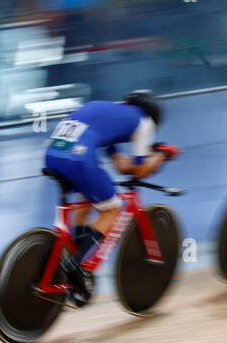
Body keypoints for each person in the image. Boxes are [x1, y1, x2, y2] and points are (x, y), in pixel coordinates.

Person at [42, 91, 180, 303]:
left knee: (88, 199)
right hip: (79, 159)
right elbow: (140, 171)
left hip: (53, 155)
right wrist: (162, 154)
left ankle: (75, 255)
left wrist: (135, 164)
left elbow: (122, 166)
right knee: (112, 208)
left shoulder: (106, 109)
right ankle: (75, 264)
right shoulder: (144, 121)